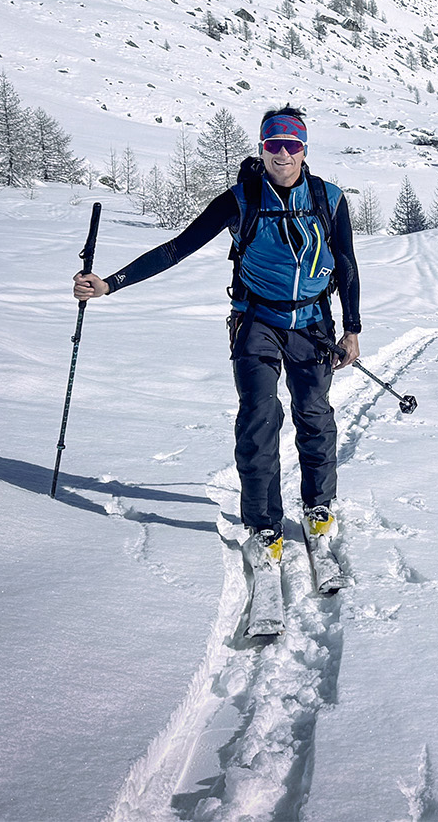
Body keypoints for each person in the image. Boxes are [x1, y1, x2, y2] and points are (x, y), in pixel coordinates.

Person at [71, 107, 361, 576]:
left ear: (304, 149)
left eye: (291, 145)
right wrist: (110, 283)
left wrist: (352, 328)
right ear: (261, 148)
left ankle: (318, 507)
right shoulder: (241, 199)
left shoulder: (329, 199)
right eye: (273, 145)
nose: (282, 155)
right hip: (256, 322)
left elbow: (346, 264)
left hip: (312, 324)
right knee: (259, 417)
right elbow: (175, 249)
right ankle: (263, 525)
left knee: (314, 413)